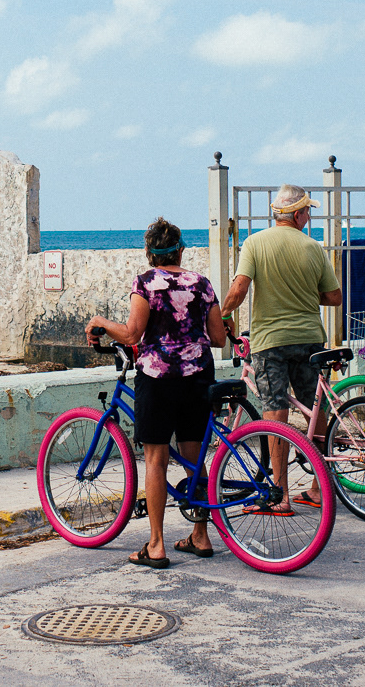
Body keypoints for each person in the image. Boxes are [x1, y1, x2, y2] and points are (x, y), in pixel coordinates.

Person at [87, 217, 227, 569]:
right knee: (194, 458)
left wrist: (101, 323)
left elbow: (132, 334)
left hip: (158, 378)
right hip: (199, 377)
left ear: (149, 253)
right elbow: (218, 338)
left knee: (155, 460)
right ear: (181, 250)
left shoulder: (146, 283)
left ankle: (156, 544)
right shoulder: (201, 284)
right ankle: (200, 535)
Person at [218, 184, 341, 515]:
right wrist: (304, 294)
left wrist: (223, 316)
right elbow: (334, 297)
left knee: (275, 411)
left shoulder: (255, 243)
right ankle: (319, 487)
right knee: (314, 409)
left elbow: (239, 289)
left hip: (271, 341)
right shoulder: (313, 247)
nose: (309, 217)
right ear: (298, 215)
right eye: (308, 212)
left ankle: (280, 494)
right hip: (310, 339)